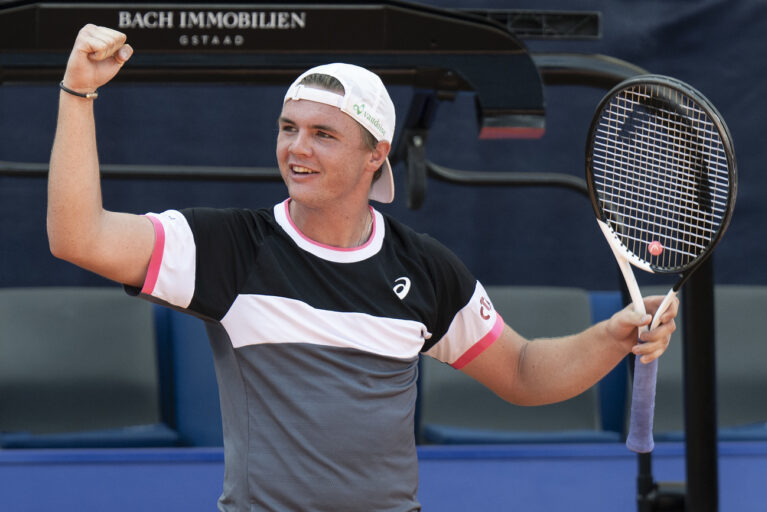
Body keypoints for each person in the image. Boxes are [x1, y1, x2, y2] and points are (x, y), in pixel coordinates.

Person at [47, 25, 679, 512]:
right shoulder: (227, 247)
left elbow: (521, 372)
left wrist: (613, 334)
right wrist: (79, 94)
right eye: (288, 128)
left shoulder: (426, 269)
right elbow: (79, 236)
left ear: (376, 154)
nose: (296, 148)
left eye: (323, 134)